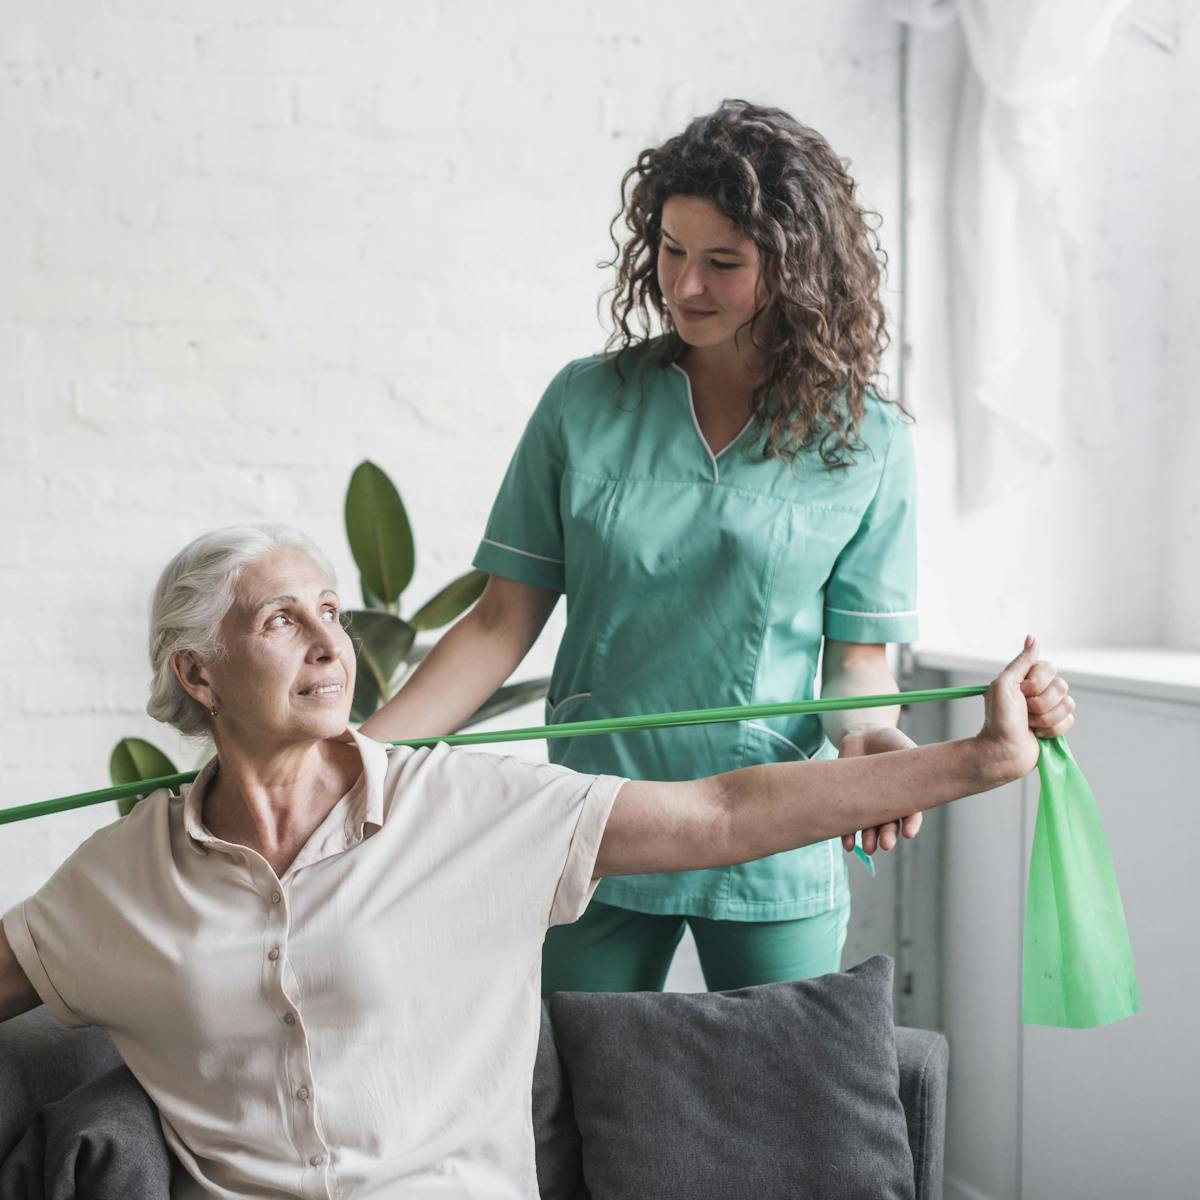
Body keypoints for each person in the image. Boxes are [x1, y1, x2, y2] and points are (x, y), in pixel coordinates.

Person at [0, 523, 1071, 1199]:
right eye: (283, 621)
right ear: (198, 674)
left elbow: (721, 812)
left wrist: (976, 760)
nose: (330, 643)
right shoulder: (120, 880)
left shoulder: (459, 806)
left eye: (330, 611)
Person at [363, 99, 951, 993]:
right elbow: (497, 623)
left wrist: (868, 736)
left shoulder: (867, 440)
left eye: (724, 263)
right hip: (600, 823)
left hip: (774, 830)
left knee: (781, 1072)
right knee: (578, 1072)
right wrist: (355, 758)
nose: (685, 286)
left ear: (798, 269)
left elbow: (857, 661)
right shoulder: (584, 404)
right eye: (672, 250)